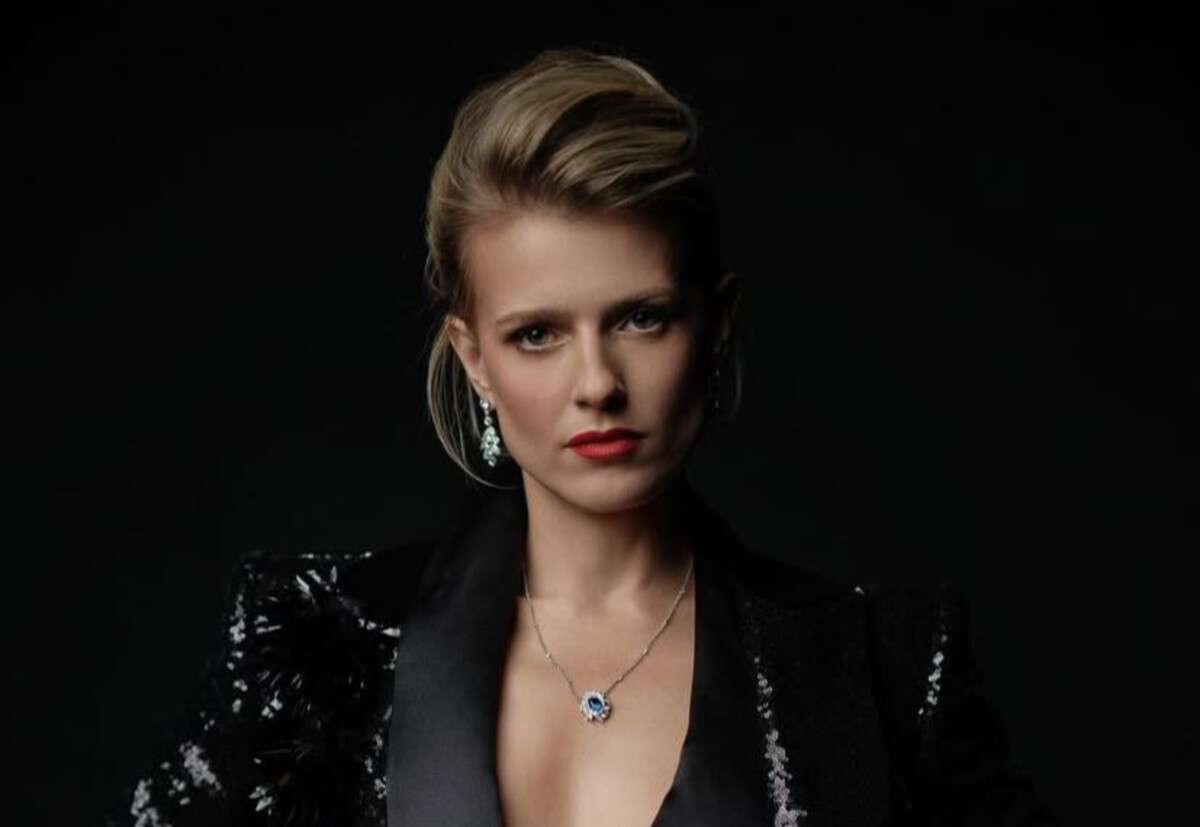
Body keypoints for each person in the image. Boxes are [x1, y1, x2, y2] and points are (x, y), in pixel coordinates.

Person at [105, 46, 1056, 826]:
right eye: (537, 334)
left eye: (642, 317)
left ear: (714, 327)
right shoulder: (312, 643)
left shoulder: (885, 670)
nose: (597, 382)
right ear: (474, 358)